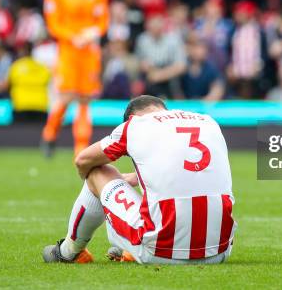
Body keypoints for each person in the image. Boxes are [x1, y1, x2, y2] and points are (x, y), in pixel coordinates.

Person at [42, 95, 236, 264]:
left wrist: (93, 186)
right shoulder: (208, 121)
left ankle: (69, 252)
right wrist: (138, 177)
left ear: (131, 118)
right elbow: (190, 167)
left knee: (97, 171)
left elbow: (82, 160)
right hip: (220, 251)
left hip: (160, 251)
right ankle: (128, 249)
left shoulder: (135, 125)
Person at [40, 0, 110, 157]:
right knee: (66, 95)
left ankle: (81, 146)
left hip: (89, 51)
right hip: (68, 51)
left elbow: (102, 19)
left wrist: (92, 33)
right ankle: (50, 133)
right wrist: (73, 37)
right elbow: (53, 24)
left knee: (85, 98)